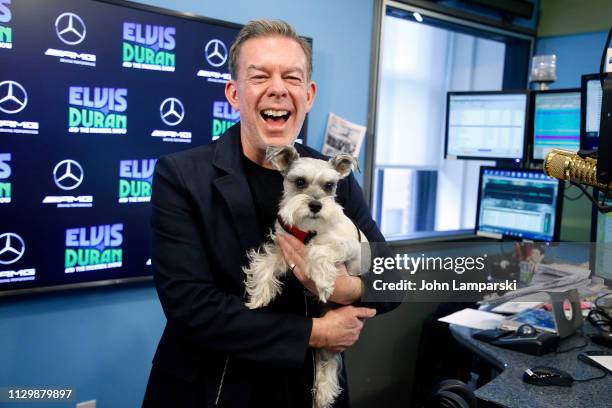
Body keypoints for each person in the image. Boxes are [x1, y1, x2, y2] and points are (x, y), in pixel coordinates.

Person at [143, 19, 396, 408]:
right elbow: (190, 307)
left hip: (307, 391)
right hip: (214, 389)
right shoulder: (181, 176)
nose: (277, 88)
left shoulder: (331, 178)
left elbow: (396, 275)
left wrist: (350, 288)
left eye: (292, 78)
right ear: (234, 92)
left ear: (308, 95)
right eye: (259, 76)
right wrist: (316, 332)